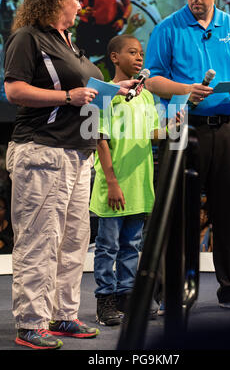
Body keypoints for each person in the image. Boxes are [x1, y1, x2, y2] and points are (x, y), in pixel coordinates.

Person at [3, 0, 139, 350]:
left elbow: (87, 90)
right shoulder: (29, 38)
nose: (82, 3)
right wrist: (68, 98)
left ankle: (62, 315)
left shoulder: (69, 42)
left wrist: (116, 88)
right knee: (39, 241)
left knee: (74, 242)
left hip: (77, 157)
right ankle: (30, 323)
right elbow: (14, 90)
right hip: (42, 151)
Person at [145, 0, 230, 313]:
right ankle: (170, 292)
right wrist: (186, 90)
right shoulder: (167, 28)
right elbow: (152, 79)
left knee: (229, 212)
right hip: (184, 129)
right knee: (178, 214)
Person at [89, 34, 160, 326]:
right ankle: (105, 298)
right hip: (113, 185)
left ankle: (126, 294)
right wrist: (112, 181)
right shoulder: (104, 93)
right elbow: (98, 138)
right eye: (132, 52)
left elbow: (154, 132)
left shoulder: (146, 95)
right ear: (115, 57)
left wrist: (174, 123)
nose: (139, 58)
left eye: (141, 53)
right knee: (108, 246)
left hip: (140, 185)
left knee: (132, 245)